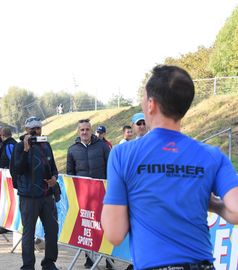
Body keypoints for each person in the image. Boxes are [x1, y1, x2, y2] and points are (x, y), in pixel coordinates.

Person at [101, 65, 238, 270]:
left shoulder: (123, 154)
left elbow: (114, 234)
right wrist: (214, 205)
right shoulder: (212, 156)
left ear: (151, 104)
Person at [13, 116, 59, 270]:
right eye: (31, 128)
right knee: (28, 232)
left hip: (46, 196)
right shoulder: (19, 147)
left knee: (52, 230)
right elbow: (17, 170)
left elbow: (53, 167)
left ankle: (49, 263)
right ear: (26, 130)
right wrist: (26, 150)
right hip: (28, 197)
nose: (35, 131)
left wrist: (54, 178)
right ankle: (28, 266)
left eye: (38, 128)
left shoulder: (46, 145)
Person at [66, 119, 111, 269]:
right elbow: (70, 174)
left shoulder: (103, 146)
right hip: (83, 197)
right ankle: (89, 258)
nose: (85, 132)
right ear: (78, 132)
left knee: (105, 227)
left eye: (87, 129)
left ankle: (107, 259)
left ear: (91, 131)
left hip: (102, 195)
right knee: (87, 228)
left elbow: (111, 168)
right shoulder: (72, 150)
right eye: (82, 130)